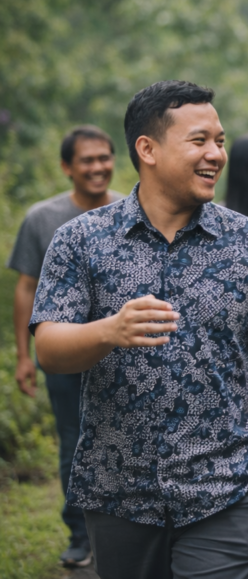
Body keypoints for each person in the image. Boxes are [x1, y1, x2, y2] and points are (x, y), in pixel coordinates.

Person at [30, 80, 248, 579]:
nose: (216, 155)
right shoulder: (81, 241)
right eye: (200, 140)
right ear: (148, 149)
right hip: (117, 494)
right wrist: (109, 331)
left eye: (220, 141)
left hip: (226, 490)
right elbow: (50, 349)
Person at [8, 125, 123, 568]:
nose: (97, 167)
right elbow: (26, 289)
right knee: (74, 444)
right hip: (64, 355)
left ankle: (119, 526)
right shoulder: (43, 218)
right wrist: (24, 355)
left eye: (104, 158)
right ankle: (80, 533)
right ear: (66, 167)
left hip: (120, 357)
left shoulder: (130, 211)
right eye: (87, 160)